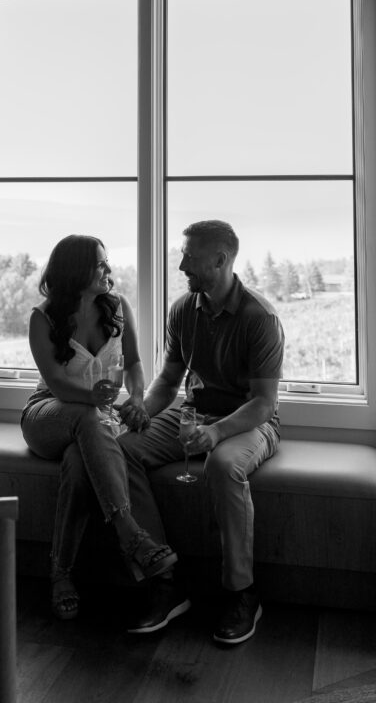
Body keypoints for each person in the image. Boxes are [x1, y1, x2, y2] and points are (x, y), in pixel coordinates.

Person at [118, 220, 284, 645]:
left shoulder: (260, 317)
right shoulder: (182, 310)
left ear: (221, 260)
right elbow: (168, 381)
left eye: (189, 258)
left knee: (224, 466)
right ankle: (164, 578)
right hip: (194, 414)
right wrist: (141, 410)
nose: (181, 266)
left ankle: (242, 592)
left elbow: (264, 403)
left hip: (249, 421)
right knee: (121, 449)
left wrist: (217, 434)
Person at [20, 234, 177, 621]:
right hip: (48, 416)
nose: (109, 269)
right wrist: (95, 398)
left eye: (107, 262)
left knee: (78, 464)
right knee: (88, 418)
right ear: (76, 271)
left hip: (95, 421)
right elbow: (58, 385)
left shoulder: (118, 307)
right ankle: (129, 531)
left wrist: (136, 398)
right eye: (100, 263)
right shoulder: (43, 318)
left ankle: (61, 574)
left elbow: (135, 363)